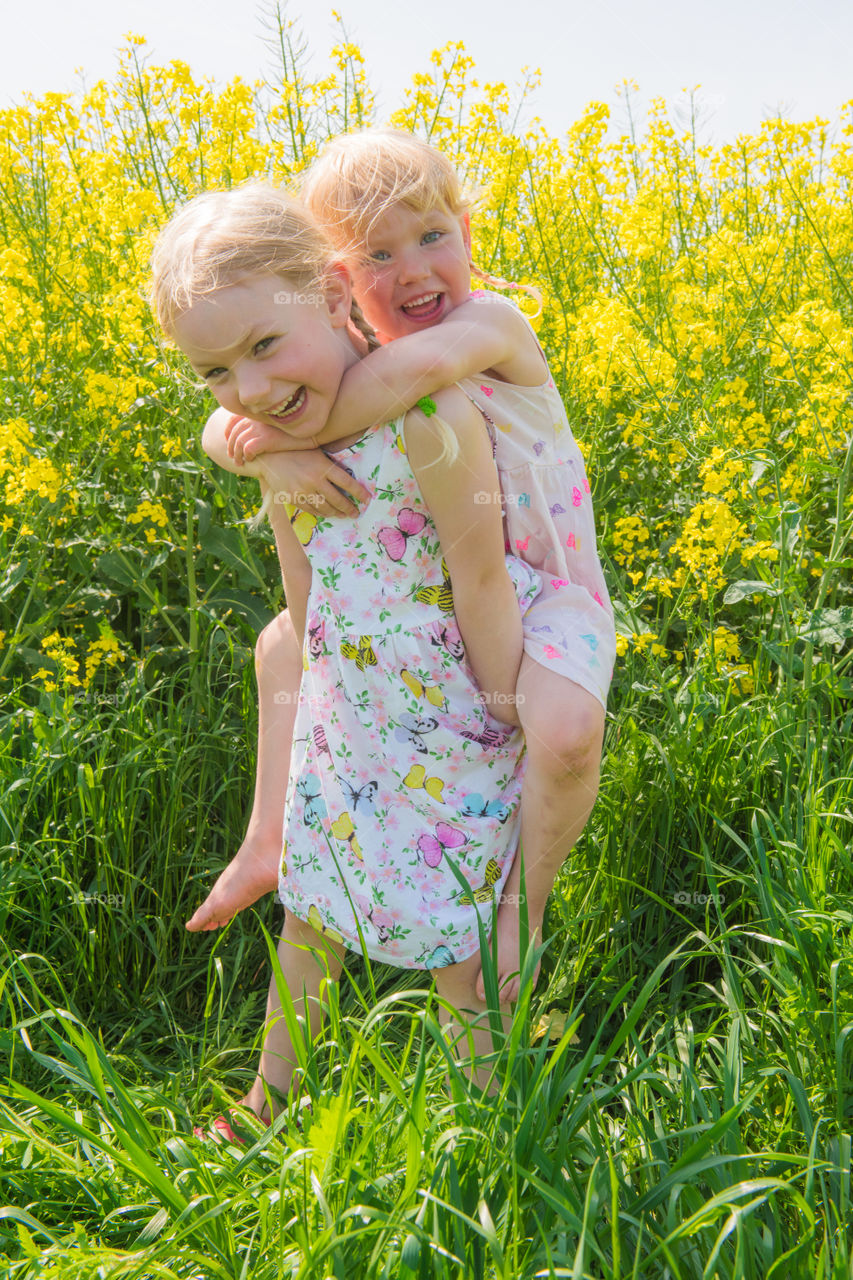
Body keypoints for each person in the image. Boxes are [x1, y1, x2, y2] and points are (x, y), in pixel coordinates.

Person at [192, 128, 616, 1008]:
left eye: (431, 237)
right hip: (467, 593)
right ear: (339, 283)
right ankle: (269, 836)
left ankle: (521, 912)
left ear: (468, 233)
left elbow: (401, 385)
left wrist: (265, 436)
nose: (414, 268)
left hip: (549, 590)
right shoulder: (333, 350)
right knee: (281, 646)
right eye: (377, 254)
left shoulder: (489, 324)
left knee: (567, 732)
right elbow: (222, 415)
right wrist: (257, 448)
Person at [151, 183, 543, 1116]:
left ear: (331, 298)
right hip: (347, 709)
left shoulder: (428, 420)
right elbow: (304, 586)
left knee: (458, 932)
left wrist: (500, 720)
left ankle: (485, 1126)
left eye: (262, 348)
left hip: (452, 712)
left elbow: (479, 579)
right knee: (311, 908)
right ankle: (265, 1103)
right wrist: (259, 453)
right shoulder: (277, 439)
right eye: (214, 374)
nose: (246, 391)